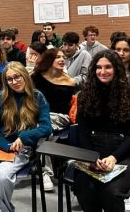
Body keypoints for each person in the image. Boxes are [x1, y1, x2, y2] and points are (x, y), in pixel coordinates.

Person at [0, 62, 52, 212]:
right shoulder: (0, 96)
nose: (14, 82)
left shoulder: (38, 96)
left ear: (25, 75)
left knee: (2, 176)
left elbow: (46, 127)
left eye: (17, 77)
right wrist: (6, 147)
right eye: (9, 79)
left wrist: (24, 136)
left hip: (20, 147)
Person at [73, 50, 130, 212]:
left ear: (117, 69)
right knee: (84, 188)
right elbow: (82, 132)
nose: (102, 72)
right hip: (93, 152)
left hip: (125, 155)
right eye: (98, 67)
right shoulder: (85, 95)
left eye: (108, 67)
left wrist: (114, 157)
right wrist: (92, 157)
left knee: (110, 191)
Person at [31, 48, 77, 191]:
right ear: (49, 60)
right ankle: (44, 169)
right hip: (39, 115)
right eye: (58, 57)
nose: (62, 59)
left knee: (42, 126)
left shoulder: (69, 81)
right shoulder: (36, 77)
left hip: (60, 116)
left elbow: (68, 106)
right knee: (44, 130)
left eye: (63, 57)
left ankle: (44, 170)